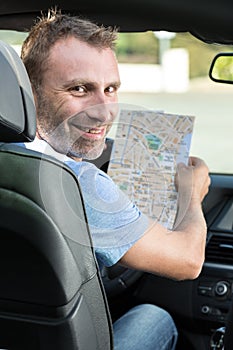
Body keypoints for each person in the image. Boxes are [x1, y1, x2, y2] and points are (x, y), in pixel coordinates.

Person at [19, 9, 210, 350]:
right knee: (156, 316)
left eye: (110, 89)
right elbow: (187, 261)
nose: (105, 111)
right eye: (79, 89)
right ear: (30, 91)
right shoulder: (77, 184)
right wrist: (192, 194)